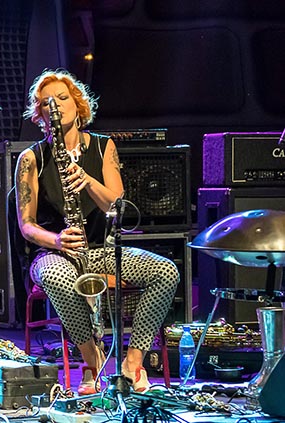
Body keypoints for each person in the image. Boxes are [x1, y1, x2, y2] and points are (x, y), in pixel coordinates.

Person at [15, 69, 179, 395]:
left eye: (63, 98)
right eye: (47, 102)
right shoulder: (31, 158)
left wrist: (87, 181)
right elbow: (27, 226)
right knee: (58, 278)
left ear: (78, 105)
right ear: (40, 115)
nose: (56, 106)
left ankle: (133, 363)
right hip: (53, 253)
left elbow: (117, 206)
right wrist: (57, 240)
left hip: (100, 249)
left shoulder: (104, 147)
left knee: (166, 271)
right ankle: (92, 360)